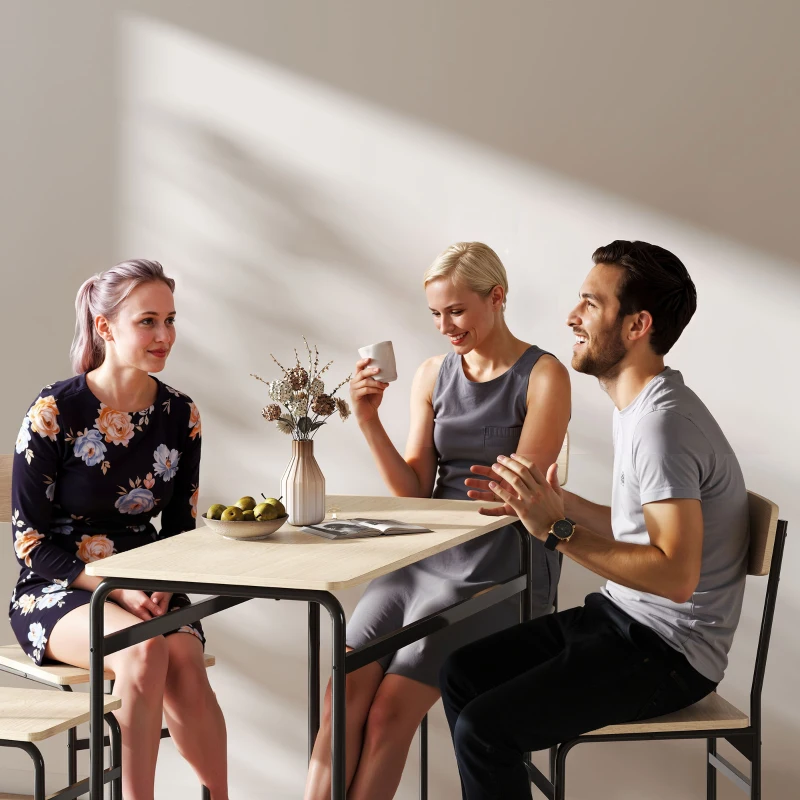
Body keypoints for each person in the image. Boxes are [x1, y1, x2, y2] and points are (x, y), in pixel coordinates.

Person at [439, 240, 750, 799]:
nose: (571, 316)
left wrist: (556, 531)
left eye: (590, 303)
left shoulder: (663, 426)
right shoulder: (642, 408)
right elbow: (644, 533)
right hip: (624, 619)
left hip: (669, 653)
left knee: (486, 730)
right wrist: (555, 504)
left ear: (637, 325)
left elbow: (676, 576)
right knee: (462, 671)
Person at [304, 242, 571, 800]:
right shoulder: (431, 375)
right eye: (435, 313)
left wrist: (495, 496)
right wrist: (368, 420)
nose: (444, 325)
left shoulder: (544, 375)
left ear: (496, 298)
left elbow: (523, 496)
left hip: (503, 564)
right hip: (424, 560)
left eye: (456, 310)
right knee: (342, 691)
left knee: (391, 711)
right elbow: (413, 490)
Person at [8, 260, 229, 800]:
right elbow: (29, 542)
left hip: (149, 583)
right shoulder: (54, 410)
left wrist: (158, 584)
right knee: (146, 651)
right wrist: (116, 587)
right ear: (105, 327)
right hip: (60, 589)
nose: (164, 336)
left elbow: (180, 527)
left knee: (182, 658)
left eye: (170, 320)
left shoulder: (182, 414)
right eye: (147, 321)